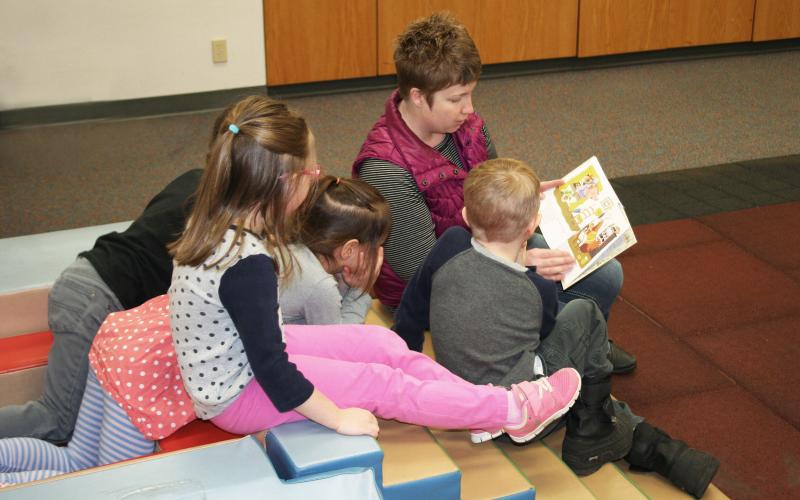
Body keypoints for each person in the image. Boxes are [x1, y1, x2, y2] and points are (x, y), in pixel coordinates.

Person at [167, 94, 581, 444]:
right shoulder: (248, 264)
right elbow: (272, 370)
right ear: (282, 183)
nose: (317, 179)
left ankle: (478, 406)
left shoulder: (217, 221)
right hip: (241, 393)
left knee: (380, 346)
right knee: (380, 384)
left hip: (247, 360)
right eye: (311, 172)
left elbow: (261, 343)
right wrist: (337, 417)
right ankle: (510, 409)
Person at [393, 159, 720, 498]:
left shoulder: (448, 245)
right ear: (533, 224)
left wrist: (406, 359)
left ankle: (614, 428)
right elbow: (544, 332)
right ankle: (596, 431)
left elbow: (412, 308)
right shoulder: (538, 287)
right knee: (585, 312)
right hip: (524, 414)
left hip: (462, 393)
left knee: (567, 342)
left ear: (464, 214)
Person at [352, 12, 635, 373]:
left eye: (470, 94)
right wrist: (519, 261)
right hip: (440, 285)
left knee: (606, 274)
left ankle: (583, 343)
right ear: (418, 96)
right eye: (457, 99)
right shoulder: (386, 169)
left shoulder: (466, 125)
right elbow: (422, 269)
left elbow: (494, 185)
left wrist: (527, 195)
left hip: (496, 241)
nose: (469, 109)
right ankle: (570, 351)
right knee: (556, 305)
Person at [0, 168, 202, 444]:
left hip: (85, 281)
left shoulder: (194, 178)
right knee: (57, 420)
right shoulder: (225, 209)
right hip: (95, 299)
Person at [279, 175, 390, 325]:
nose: (379, 253)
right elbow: (340, 341)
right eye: (376, 246)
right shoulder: (320, 286)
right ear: (348, 250)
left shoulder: (296, 248)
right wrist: (360, 291)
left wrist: (349, 285)